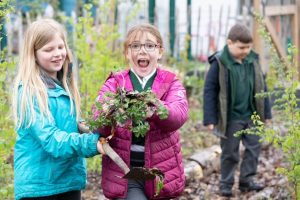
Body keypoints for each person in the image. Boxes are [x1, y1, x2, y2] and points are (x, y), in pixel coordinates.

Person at [12, 18, 104, 200]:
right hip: (40, 188)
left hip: (67, 181)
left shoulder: (63, 85)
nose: (57, 54)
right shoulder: (31, 91)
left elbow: (65, 124)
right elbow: (52, 139)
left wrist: (94, 126)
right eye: (48, 50)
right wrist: (90, 143)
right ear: (33, 54)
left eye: (60, 47)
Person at [94, 23, 188, 200]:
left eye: (150, 45)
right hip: (127, 171)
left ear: (160, 52)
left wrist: (154, 109)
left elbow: (178, 115)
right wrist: (108, 113)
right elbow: (98, 122)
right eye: (135, 46)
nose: (142, 51)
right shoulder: (115, 83)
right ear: (127, 53)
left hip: (162, 171)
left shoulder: (171, 82)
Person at [203, 23, 272, 197]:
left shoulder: (252, 61)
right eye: (241, 47)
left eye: (249, 47)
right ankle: (226, 184)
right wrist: (210, 118)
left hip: (252, 116)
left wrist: (267, 114)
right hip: (231, 118)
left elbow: (263, 88)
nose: (246, 51)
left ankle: (246, 181)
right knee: (230, 152)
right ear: (229, 43)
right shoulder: (219, 63)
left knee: (254, 148)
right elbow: (209, 91)